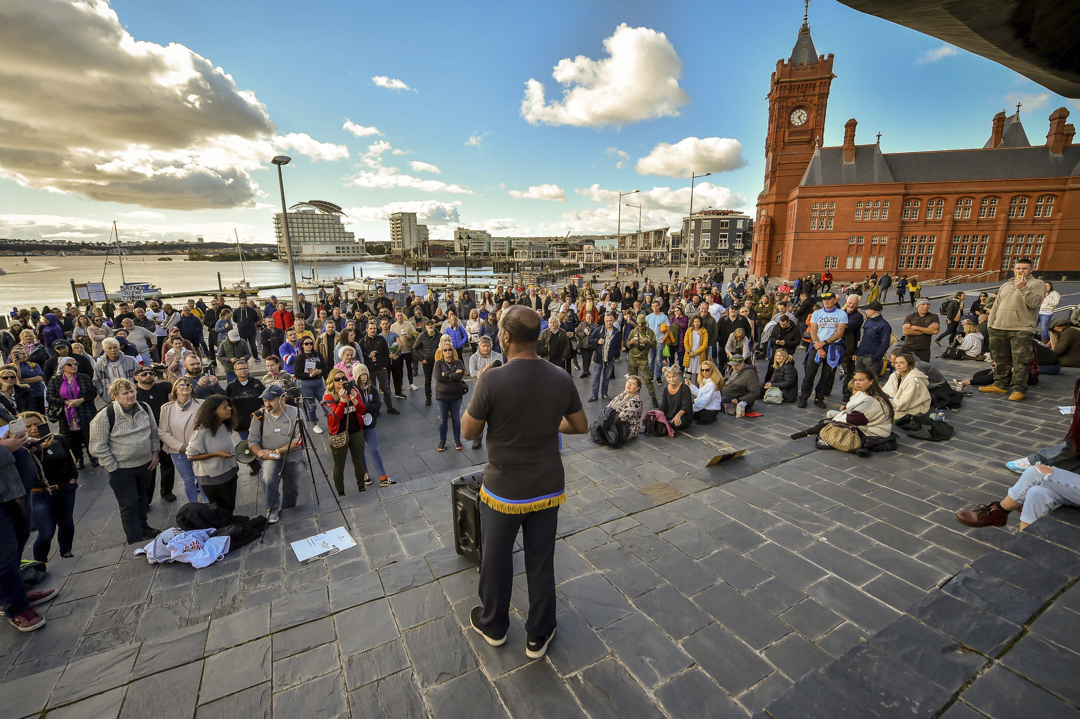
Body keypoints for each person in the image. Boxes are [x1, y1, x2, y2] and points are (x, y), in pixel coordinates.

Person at [461, 305, 587, 660]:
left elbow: (469, 430)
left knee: (497, 560)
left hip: (504, 489)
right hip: (547, 487)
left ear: (505, 337)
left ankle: (494, 625)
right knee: (541, 561)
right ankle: (539, 633)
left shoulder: (492, 379)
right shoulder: (560, 377)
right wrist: (550, 425)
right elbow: (580, 426)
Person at [88, 378, 161, 545]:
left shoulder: (144, 407)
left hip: (146, 464)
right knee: (129, 504)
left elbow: (153, 432)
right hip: (121, 469)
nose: (130, 395)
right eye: (125, 393)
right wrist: (113, 467)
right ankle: (134, 538)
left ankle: (144, 527)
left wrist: (155, 453)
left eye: (132, 391)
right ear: (115, 396)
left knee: (143, 499)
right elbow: (96, 447)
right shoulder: (104, 416)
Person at [981, 259, 1047, 401]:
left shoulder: (1037, 284)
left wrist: (1023, 287)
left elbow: (1035, 303)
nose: (1020, 271)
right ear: (1014, 269)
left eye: (1024, 268)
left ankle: (1019, 389)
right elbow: (996, 306)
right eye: (1018, 268)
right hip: (999, 327)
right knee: (1000, 358)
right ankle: (1000, 384)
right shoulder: (1005, 285)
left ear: (1031, 270)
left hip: (1021, 328)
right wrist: (990, 325)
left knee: (1021, 360)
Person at [24, 411, 78, 562]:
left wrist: (73, 478)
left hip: (64, 488)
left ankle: (66, 552)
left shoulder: (58, 439)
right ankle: (39, 562)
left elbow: (69, 459)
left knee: (66, 523)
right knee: (46, 531)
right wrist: (42, 449)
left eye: (37, 424)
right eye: (28, 426)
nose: (34, 428)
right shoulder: (23, 449)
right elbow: (33, 470)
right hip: (39, 494)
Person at [248, 384, 306, 523]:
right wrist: (261, 453)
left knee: (293, 486)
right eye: (265, 401)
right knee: (267, 477)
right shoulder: (258, 416)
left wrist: (278, 451)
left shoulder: (296, 412)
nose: (267, 404)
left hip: (292, 455)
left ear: (282, 399)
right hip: (269, 457)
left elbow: (299, 440)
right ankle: (272, 507)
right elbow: (252, 441)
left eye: (270, 400)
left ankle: (289, 508)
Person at [791, 371, 895, 446]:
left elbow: (855, 419)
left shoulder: (872, 399)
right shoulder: (865, 394)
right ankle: (811, 433)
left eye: (861, 380)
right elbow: (850, 412)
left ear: (871, 382)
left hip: (871, 432)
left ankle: (810, 434)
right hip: (864, 424)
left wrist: (837, 418)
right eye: (856, 380)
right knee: (826, 421)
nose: (857, 382)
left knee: (828, 424)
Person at [186, 396, 239, 512]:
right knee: (219, 511)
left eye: (229, 406)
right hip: (213, 478)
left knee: (230, 507)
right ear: (213, 410)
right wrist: (215, 454)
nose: (229, 409)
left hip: (230, 472)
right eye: (225, 407)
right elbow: (190, 455)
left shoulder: (225, 425)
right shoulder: (202, 431)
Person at [158, 377, 204, 503]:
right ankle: (193, 506)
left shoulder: (202, 404)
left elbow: (207, 428)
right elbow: (162, 431)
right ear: (175, 390)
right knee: (188, 480)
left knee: (202, 479)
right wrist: (180, 446)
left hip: (199, 450)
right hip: (178, 452)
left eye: (188, 384)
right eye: (181, 385)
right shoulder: (166, 408)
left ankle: (208, 506)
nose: (186, 386)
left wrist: (193, 445)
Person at [798, 292, 847, 409]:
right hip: (816, 345)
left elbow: (840, 333)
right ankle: (804, 397)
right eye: (824, 300)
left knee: (826, 375)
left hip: (832, 346)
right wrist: (819, 347)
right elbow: (813, 331)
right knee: (809, 374)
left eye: (829, 299)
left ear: (835, 300)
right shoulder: (817, 313)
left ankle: (819, 398)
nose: (826, 301)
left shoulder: (842, 314)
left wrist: (824, 343)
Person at [45, 357, 96, 469]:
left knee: (88, 434)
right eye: (70, 364)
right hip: (66, 415)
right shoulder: (55, 380)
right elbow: (50, 397)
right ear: (62, 367)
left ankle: (93, 456)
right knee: (72, 438)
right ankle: (78, 458)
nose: (73, 366)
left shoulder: (84, 378)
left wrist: (81, 400)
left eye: (75, 363)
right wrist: (65, 402)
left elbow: (93, 392)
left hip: (84, 411)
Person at [323, 368, 367, 495]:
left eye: (343, 378)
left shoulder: (353, 391)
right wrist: (342, 401)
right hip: (338, 433)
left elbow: (362, 410)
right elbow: (337, 416)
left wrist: (354, 399)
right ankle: (340, 491)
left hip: (356, 430)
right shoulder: (328, 396)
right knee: (339, 464)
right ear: (332, 381)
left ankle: (361, 486)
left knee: (358, 460)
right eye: (337, 379)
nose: (341, 381)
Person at [355, 364, 394, 487]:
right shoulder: (354, 390)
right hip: (358, 425)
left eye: (365, 374)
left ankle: (383, 477)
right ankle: (365, 473)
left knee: (374, 450)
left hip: (370, 423)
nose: (363, 377)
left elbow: (377, 405)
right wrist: (367, 408)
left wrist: (365, 408)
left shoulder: (372, 388)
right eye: (361, 375)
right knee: (360, 451)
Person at [225, 360, 265, 477]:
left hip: (257, 420)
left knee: (261, 442)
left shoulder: (256, 383)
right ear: (235, 371)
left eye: (245, 368)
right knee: (247, 445)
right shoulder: (231, 386)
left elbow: (264, 397)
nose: (243, 371)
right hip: (241, 422)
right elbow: (226, 402)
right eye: (240, 369)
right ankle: (253, 465)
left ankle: (265, 462)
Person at [360, 320, 398, 414]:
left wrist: (386, 366)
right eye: (371, 329)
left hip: (381, 369)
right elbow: (359, 355)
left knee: (386, 389)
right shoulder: (363, 341)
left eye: (374, 329)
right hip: (370, 370)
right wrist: (368, 356)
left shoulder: (381, 339)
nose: (373, 330)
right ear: (367, 329)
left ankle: (390, 407)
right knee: (372, 390)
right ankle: (374, 409)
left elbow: (386, 353)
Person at [434, 344, 467, 451]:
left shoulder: (458, 362)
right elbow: (438, 377)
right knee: (443, 419)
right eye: (445, 350)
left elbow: (459, 376)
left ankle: (457, 440)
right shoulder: (438, 363)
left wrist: (446, 375)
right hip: (442, 397)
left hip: (455, 396)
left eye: (449, 350)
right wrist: (452, 375)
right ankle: (442, 441)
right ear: (442, 352)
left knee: (456, 418)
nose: (448, 352)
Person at [882, 351, 931, 419]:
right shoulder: (894, 376)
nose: (898, 365)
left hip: (910, 406)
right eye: (896, 363)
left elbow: (906, 401)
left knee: (890, 414)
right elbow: (886, 391)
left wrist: (889, 404)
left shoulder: (914, 380)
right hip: (895, 403)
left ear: (910, 365)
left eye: (902, 363)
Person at [293, 336, 327, 432]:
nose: (309, 346)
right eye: (306, 344)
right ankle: (314, 424)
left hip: (318, 382)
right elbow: (297, 374)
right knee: (311, 405)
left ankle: (331, 420)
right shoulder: (299, 358)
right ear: (302, 345)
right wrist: (310, 375)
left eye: (311, 343)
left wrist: (320, 371)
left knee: (325, 402)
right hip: (305, 383)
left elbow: (325, 366)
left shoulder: (317, 354)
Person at [625, 315, 659, 409]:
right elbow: (627, 344)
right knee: (632, 380)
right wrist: (630, 342)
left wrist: (647, 343)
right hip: (632, 358)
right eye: (639, 326)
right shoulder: (633, 331)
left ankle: (653, 397)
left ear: (645, 324)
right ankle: (632, 398)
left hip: (643, 359)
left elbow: (654, 344)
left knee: (647, 379)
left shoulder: (650, 332)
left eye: (642, 325)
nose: (640, 327)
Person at [588, 313, 621, 402]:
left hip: (610, 359)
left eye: (610, 321)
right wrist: (597, 341)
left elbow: (618, 345)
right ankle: (594, 395)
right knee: (596, 377)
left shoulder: (617, 332)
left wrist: (615, 356)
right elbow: (590, 339)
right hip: (598, 358)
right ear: (604, 321)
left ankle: (604, 394)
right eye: (607, 321)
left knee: (606, 378)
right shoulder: (599, 330)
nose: (609, 322)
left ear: (613, 321)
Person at [853, 301, 892, 378]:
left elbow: (885, 343)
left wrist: (875, 357)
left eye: (867, 309)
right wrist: (857, 352)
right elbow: (864, 339)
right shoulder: (868, 321)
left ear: (872, 311)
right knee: (858, 378)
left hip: (871, 357)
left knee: (871, 380)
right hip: (862, 355)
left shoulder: (884, 325)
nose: (865, 311)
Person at [899, 298, 939, 363]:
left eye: (928, 304)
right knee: (906, 368)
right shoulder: (910, 316)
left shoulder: (933, 317)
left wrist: (916, 327)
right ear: (918, 306)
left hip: (924, 349)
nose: (926, 306)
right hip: (908, 347)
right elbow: (906, 331)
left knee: (923, 369)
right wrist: (927, 329)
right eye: (923, 304)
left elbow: (935, 331)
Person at [688, 359, 724, 424]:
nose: (704, 372)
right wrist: (690, 385)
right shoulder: (705, 380)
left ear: (712, 371)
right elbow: (700, 394)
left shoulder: (712, 384)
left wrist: (690, 410)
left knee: (686, 413)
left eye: (707, 370)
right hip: (706, 408)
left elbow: (703, 402)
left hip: (708, 411)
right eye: (702, 370)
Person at [660, 366, 694, 433]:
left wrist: (677, 416)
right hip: (669, 415)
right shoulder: (665, 389)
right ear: (666, 378)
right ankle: (664, 426)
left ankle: (665, 427)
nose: (672, 379)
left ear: (678, 376)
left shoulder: (684, 388)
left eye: (674, 376)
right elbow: (663, 405)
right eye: (669, 377)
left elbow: (686, 406)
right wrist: (659, 414)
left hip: (683, 415)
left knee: (677, 423)